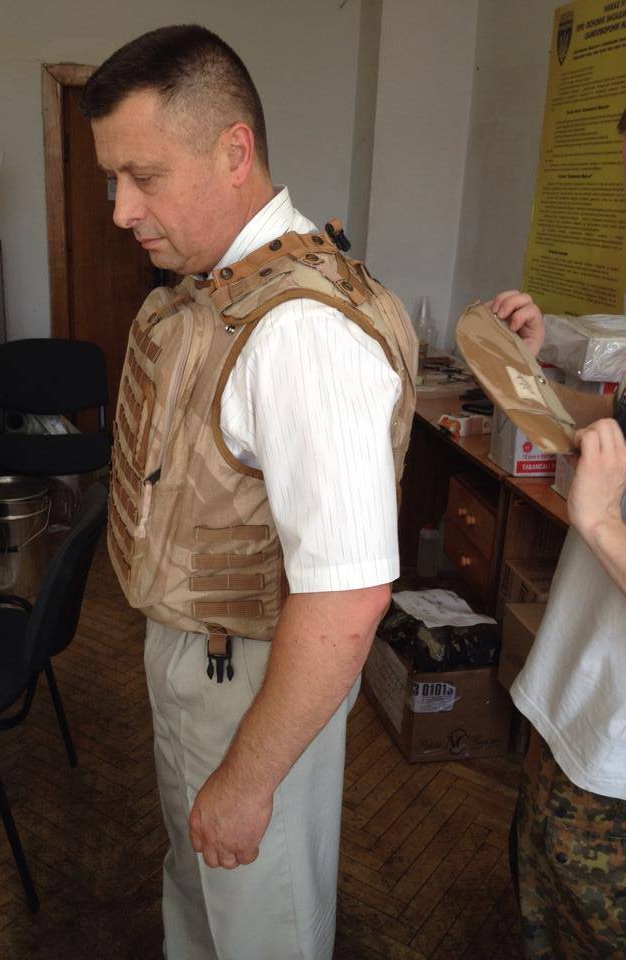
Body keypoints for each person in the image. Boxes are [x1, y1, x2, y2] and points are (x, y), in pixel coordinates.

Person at [81, 24, 532, 959]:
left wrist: (249, 780)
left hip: (254, 675)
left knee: (260, 925)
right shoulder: (223, 285)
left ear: (233, 151)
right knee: (203, 895)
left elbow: (349, 595)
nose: (121, 209)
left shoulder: (301, 335)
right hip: (208, 647)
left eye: (143, 176)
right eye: (111, 179)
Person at [502, 106, 626, 959]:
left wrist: (604, 523)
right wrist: (531, 369)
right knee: (537, 878)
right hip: (579, 692)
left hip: (616, 754)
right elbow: (605, 426)